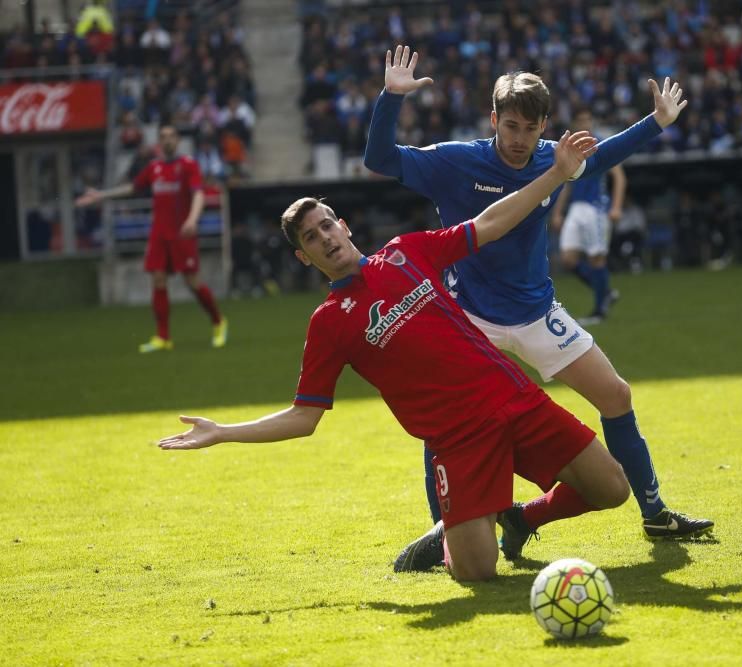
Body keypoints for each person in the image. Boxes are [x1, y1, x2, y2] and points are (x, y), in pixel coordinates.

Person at [158, 131, 633, 582]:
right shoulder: (328, 323)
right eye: (310, 237)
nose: (324, 237)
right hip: (459, 439)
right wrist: (222, 433)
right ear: (304, 257)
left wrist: (555, 174)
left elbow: (488, 224)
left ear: (343, 227)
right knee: (477, 572)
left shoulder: (407, 251)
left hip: (514, 400)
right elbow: (304, 417)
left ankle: (520, 517)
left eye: (326, 225)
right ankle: (454, 533)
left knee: (612, 488)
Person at [364, 46, 713, 554]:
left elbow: (605, 155)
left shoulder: (554, 158)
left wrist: (656, 122)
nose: (519, 140)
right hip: (469, 318)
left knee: (616, 396)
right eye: (510, 127)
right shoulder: (455, 161)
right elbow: (378, 159)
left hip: (536, 312)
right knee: (445, 424)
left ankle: (652, 515)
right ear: (494, 120)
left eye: (530, 129)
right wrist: (391, 98)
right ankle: (445, 537)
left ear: (544, 125)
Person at [76, 124, 228, 352]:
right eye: (163, 137)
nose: (167, 140)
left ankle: (218, 321)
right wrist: (101, 195)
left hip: (182, 233)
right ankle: (163, 337)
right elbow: (132, 188)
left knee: (192, 282)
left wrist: (192, 220)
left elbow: (198, 194)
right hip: (159, 233)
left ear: (177, 140)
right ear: (159, 142)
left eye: (171, 136)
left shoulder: (187, 165)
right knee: (157, 280)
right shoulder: (154, 167)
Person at [551, 107, 626, 325]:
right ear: (574, 124)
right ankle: (605, 292)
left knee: (596, 258)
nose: (585, 124)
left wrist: (617, 206)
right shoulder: (570, 147)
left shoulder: (601, 143)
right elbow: (566, 183)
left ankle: (599, 310)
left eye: (588, 119)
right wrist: (558, 212)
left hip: (597, 208)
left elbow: (619, 176)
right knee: (568, 258)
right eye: (581, 120)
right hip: (576, 207)